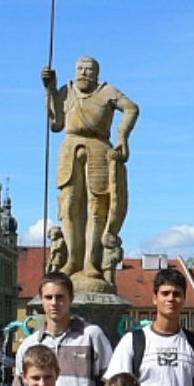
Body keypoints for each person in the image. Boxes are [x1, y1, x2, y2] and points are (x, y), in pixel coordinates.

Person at [42, 56, 139, 284]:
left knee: (97, 207)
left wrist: (122, 135)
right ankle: (72, 260)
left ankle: (90, 262)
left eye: (89, 69)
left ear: (96, 73)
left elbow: (131, 108)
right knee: (68, 206)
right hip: (70, 147)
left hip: (99, 148)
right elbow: (56, 124)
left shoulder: (106, 92)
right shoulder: (67, 90)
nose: (84, 73)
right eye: (80, 69)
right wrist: (51, 90)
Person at [11, 271, 112, 386]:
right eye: (48, 297)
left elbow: (112, 385)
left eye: (60, 297)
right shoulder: (29, 345)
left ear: (71, 298)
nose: (54, 303)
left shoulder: (91, 335)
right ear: (41, 300)